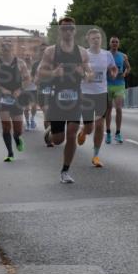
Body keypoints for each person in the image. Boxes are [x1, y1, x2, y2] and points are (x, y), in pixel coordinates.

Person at [38, 17, 92, 183]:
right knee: (58, 139)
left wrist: (83, 73)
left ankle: (65, 171)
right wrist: (54, 73)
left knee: (71, 133)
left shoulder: (82, 52)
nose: (67, 31)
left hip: (75, 97)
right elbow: (40, 72)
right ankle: (50, 132)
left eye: (70, 28)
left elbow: (90, 75)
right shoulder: (51, 52)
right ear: (60, 31)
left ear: (74, 31)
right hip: (56, 97)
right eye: (64, 28)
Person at [76, 28, 117, 167]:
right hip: (86, 94)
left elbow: (113, 67)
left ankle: (96, 156)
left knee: (100, 125)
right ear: (88, 39)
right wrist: (84, 76)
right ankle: (83, 131)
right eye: (93, 38)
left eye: (98, 38)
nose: (96, 40)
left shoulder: (106, 55)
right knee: (89, 128)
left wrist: (113, 72)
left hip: (101, 93)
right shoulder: (83, 55)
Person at [0, 42, 31, 162]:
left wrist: (20, 89)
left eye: (7, 48)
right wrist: (1, 88)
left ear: (12, 49)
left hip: (17, 97)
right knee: (6, 126)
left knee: (18, 129)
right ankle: (10, 153)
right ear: (0, 50)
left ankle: (17, 137)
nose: (5, 50)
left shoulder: (20, 63)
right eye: (3, 48)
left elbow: (27, 79)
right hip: (3, 97)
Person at [103, 36, 130, 144]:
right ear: (110, 44)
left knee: (118, 108)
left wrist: (124, 73)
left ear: (119, 44)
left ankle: (118, 133)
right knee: (108, 109)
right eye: (112, 42)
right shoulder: (105, 55)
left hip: (119, 84)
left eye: (116, 42)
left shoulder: (123, 56)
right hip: (108, 84)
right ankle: (108, 132)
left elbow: (128, 67)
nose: (114, 43)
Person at [21, 54, 39, 130]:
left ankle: (32, 119)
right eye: (26, 59)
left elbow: (38, 76)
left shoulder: (34, 67)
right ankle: (28, 122)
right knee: (26, 108)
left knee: (34, 106)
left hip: (34, 90)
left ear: (31, 59)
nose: (27, 60)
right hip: (25, 90)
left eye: (29, 58)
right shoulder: (22, 68)